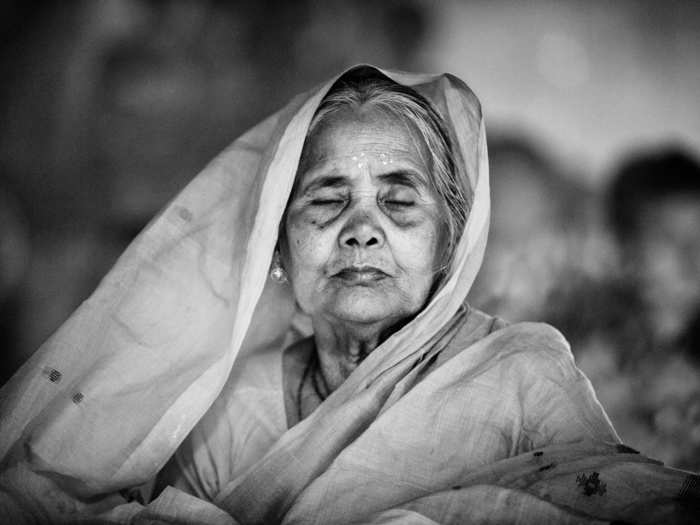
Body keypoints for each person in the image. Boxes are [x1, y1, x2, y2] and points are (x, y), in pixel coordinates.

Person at [0, 66, 696, 524]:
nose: (362, 231)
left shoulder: (522, 373)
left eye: (399, 202)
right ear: (275, 248)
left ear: (450, 245)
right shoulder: (224, 407)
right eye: (327, 200)